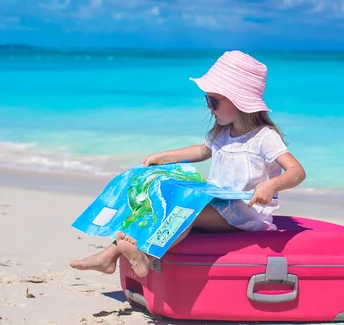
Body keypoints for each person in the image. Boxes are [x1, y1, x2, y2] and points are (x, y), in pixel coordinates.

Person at [70, 50, 306, 277]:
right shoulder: (223, 132)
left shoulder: (264, 137)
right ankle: (109, 256)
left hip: (245, 216)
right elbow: (202, 150)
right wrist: (165, 157)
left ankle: (148, 260)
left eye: (213, 101)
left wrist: (272, 186)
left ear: (237, 101)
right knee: (158, 199)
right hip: (217, 204)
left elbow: (296, 171)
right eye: (207, 100)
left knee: (184, 210)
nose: (208, 107)